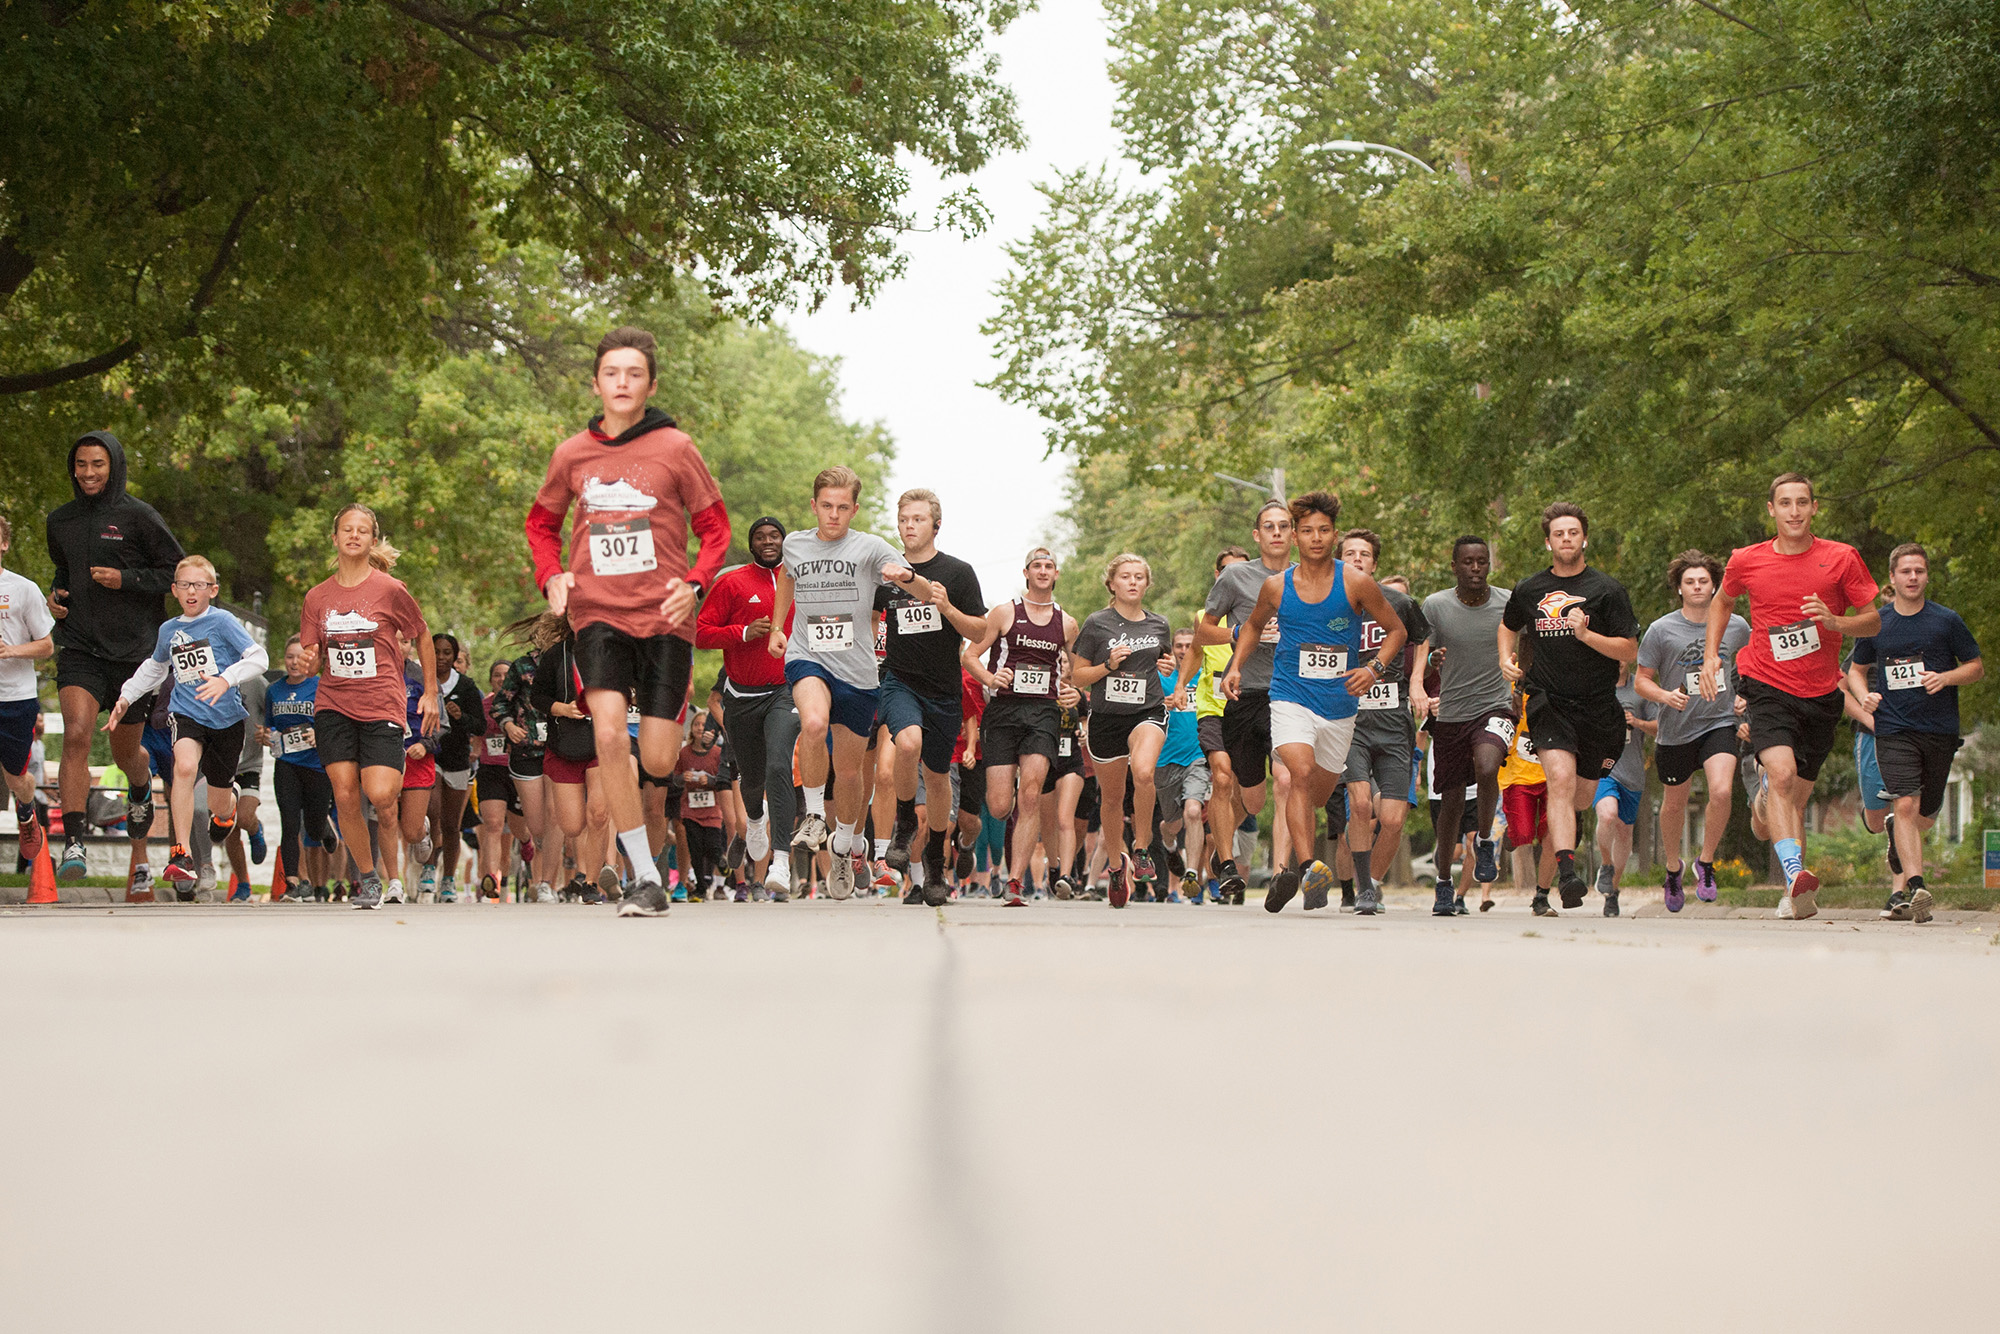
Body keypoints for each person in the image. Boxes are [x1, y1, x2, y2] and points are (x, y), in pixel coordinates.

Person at [526, 326, 732, 919]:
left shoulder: (675, 448)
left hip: (665, 616)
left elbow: (715, 528)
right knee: (611, 735)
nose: (622, 383)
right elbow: (540, 526)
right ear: (596, 383)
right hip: (597, 614)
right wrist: (552, 576)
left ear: (650, 384)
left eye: (634, 374)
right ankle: (645, 874)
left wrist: (694, 584)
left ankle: (646, 853)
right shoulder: (572, 455)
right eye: (612, 373)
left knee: (661, 759)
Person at [1708, 473, 1880, 920]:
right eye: (1785, 503)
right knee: (1783, 775)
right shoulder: (1747, 560)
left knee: (1789, 801)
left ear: (1815, 507)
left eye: (1802, 502)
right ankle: (1794, 883)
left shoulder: (1842, 559)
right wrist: (1711, 656)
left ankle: (1766, 806)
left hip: (1822, 692)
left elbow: (1874, 621)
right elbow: (1722, 603)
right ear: (1771, 510)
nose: (1795, 511)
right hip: (1766, 684)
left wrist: (1835, 622)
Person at [1224, 492, 1403, 913]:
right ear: (1296, 537)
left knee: (1320, 792)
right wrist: (1235, 666)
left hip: (1339, 705)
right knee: (1296, 774)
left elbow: (1395, 631)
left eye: (1323, 530)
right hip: (1289, 694)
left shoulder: (1355, 582)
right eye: (1307, 531)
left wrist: (1373, 668)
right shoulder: (1276, 586)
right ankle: (1308, 867)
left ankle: (1308, 861)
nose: (1315, 538)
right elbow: (1251, 628)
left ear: (1334, 535)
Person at [768, 465, 927, 900]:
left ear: (854, 509)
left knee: (853, 772)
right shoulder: (795, 544)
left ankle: (843, 844)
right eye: (826, 506)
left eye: (842, 508)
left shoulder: (871, 547)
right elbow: (786, 578)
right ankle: (816, 815)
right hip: (807, 657)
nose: (833, 515)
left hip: (857, 671)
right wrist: (778, 628)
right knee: (813, 724)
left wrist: (904, 576)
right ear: (813, 505)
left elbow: (912, 579)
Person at [46, 431, 185, 880]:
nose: (88, 473)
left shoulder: (139, 516)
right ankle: (73, 842)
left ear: (114, 466)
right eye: (81, 464)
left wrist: (125, 579)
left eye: (98, 465)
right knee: (75, 735)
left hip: (133, 655)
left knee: (128, 756)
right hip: (81, 647)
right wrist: (56, 596)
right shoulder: (60, 520)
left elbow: (175, 575)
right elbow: (63, 571)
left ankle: (141, 786)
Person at [1499, 503, 1640, 912]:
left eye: (1573, 532)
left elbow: (1628, 648)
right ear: (1548, 542)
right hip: (1548, 701)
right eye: (1559, 534)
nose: (1566, 539)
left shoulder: (1608, 590)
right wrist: (1504, 658)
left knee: (1579, 799)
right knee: (1558, 780)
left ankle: (1552, 875)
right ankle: (1567, 874)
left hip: (1597, 708)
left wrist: (1587, 634)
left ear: (1584, 539)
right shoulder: (1530, 589)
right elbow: (1508, 624)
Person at [298, 504, 436, 910]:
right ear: (335, 537)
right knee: (343, 794)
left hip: (382, 703)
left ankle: (407, 845)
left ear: (373, 540)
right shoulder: (317, 597)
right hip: (334, 703)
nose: (354, 536)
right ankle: (370, 878)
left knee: (380, 794)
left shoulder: (389, 589)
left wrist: (429, 691)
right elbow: (313, 653)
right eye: (347, 529)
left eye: (362, 531)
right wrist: (309, 660)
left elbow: (422, 635)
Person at [108, 556, 269, 887]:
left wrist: (226, 679)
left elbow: (259, 657)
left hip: (226, 720)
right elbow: (155, 667)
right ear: (174, 590)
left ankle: (228, 809)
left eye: (199, 585)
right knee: (183, 767)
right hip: (186, 713)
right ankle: (181, 853)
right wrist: (126, 697)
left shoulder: (222, 622)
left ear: (212, 590)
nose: (191, 591)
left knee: (218, 803)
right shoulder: (169, 630)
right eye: (184, 585)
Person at [1848, 543, 1982, 923]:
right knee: (1905, 803)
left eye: (1919, 571)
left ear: (1926, 576)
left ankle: (1898, 839)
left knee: (1924, 813)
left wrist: (1946, 677)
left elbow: (1976, 667)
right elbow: (1855, 671)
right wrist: (1865, 696)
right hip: (1893, 728)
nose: (1912, 578)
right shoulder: (1876, 622)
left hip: (1939, 729)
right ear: (1892, 577)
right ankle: (1916, 886)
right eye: (1905, 572)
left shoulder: (1946, 621)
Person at [875, 490, 987, 883]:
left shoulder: (958, 572)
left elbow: (980, 629)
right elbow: (868, 620)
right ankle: (905, 820)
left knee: (938, 778)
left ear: (936, 525)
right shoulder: (885, 572)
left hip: (943, 688)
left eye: (918, 519)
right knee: (907, 743)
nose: (910, 526)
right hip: (899, 680)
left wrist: (949, 610)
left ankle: (937, 866)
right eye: (904, 519)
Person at [960, 547, 1079, 907]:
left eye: (1049, 566)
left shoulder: (1068, 623)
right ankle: (973, 843)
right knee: (999, 806)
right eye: (1036, 566)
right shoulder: (1005, 612)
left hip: (1043, 714)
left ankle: (1014, 881)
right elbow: (969, 654)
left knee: (1030, 796)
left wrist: (1074, 692)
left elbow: (1077, 670)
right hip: (1004, 713)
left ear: (1056, 574)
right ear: (1026, 573)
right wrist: (990, 678)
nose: (1043, 571)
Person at [1635, 549, 1750, 911]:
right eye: (1690, 582)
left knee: (1721, 789)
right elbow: (1641, 682)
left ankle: (1706, 862)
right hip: (1676, 728)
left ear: (1716, 585)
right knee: (1674, 804)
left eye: (1704, 581)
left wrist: (1745, 700)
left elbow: (1750, 671)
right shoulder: (1661, 630)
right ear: (1679, 589)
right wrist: (1665, 696)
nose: (1698, 587)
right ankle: (1673, 868)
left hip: (1720, 721)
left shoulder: (1737, 626)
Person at [696, 516, 800, 898]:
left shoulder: (798, 580)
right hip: (741, 696)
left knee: (778, 766)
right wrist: (742, 632)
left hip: (786, 691)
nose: (768, 542)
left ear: (784, 542)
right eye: (761, 537)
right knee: (752, 779)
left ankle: (782, 861)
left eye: (775, 536)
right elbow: (700, 633)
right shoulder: (732, 582)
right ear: (752, 543)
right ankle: (754, 820)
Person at [1195, 502, 1293, 903]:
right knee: (1250, 797)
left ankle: (1285, 873)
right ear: (1257, 535)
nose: (1276, 533)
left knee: (1287, 780)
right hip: (1246, 694)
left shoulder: (1312, 579)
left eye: (1284, 526)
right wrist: (1239, 633)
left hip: (1290, 693)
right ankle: (1223, 858)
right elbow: (1203, 632)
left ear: (1294, 534)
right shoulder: (1237, 576)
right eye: (1268, 527)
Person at [1411, 536, 1513, 912]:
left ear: (1489, 565)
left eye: (1481, 562)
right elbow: (1425, 649)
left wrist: (1524, 673)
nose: (1475, 568)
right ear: (1454, 566)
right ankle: (1442, 883)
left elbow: (1529, 638)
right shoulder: (1436, 605)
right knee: (1450, 804)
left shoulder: (1507, 602)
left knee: (1488, 764)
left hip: (1495, 705)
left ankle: (1485, 841)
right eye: (1468, 562)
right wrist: (1420, 679)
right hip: (1451, 713)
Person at [1070, 553, 1175, 909]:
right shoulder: (1097, 624)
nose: (1133, 582)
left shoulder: (1159, 624)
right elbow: (1077, 676)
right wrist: (1107, 665)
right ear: (1112, 584)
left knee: (1144, 772)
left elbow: (1164, 661)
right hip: (1107, 717)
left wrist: (1168, 663)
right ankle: (1117, 866)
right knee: (1112, 799)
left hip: (1148, 711)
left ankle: (1142, 848)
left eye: (1139, 577)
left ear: (1146, 584)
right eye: (1125, 576)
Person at [1335, 529, 1428, 913]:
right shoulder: (1326, 605)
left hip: (1393, 723)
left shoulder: (1399, 602)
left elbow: (1422, 637)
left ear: (1375, 563)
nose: (1357, 559)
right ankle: (1363, 891)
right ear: (1339, 560)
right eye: (1350, 553)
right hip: (1348, 723)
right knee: (1360, 806)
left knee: (1391, 819)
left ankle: (1370, 882)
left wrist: (1418, 680)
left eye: (1365, 554)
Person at [1181, 546, 1248, 901]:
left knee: (1248, 797)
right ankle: (1226, 862)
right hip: (1213, 706)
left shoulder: (1262, 611)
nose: (1234, 576)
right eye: (1226, 570)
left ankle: (1216, 840)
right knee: (1220, 776)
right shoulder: (1204, 616)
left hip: (1251, 703)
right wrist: (1179, 685)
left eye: (1241, 570)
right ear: (1216, 574)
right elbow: (1195, 650)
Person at [0, 516, 56, 869]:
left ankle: (26, 810)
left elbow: (47, 645)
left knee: (16, 777)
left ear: (3, 544)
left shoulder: (23, 589)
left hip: (15, 698)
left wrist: (10, 651)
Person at [263, 634, 334, 901]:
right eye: (289, 657)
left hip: (315, 765)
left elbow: (332, 722)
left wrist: (319, 734)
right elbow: (271, 725)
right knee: (290, 824)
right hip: (287, 764)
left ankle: (324, 826)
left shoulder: (321, 686)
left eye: (299, 657)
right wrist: (267, 735)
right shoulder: (274, 690)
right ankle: (291, 882)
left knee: (313, 830)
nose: (294, 663)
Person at [1588, 666, 1658, 916]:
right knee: (1608, 814)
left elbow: (1660, 727)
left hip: (1633, 773)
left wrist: (1636, 722)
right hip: (1604, 769)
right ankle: (1606, 863)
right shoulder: (1595, 686)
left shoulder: (1640, 689)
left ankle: (1612, 892)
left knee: (1624, 833)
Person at [1151, 628, 1210, 902]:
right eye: (1179, 645)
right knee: (1171, 824)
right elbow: (1144, 710)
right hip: (1165, 759)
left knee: (1194, 811)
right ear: (1172, 649)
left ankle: (1191, 874)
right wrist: (1162, 704)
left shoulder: (1203, 676)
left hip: (1197, 755)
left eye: (1189, 645)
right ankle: (1170, 845)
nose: (1184, 650)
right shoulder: (1161, 678)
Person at [429, 632, 486, 901]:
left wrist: (460, 715)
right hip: (429, 757)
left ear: (454, 657)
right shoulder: (422, 682)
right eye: (436, 652)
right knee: (432, 813)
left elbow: (480, 726)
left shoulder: (465, 686)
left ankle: (448, 880)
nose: (441, 658)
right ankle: (429, 868)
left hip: (457, 759)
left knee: (452, 825)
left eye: (446, 653)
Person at [1495, 691, 1553, 913]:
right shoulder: (1511, 678)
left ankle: (1541, 894)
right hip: (1518, 774)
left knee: (1552, 837)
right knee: (1523, 835)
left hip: (1551, 773)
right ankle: (1513, 833)